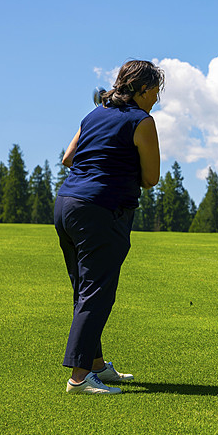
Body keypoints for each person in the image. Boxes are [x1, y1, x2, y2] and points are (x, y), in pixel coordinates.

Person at [54, 60, 164, 394]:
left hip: (67, 205)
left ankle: (96, 364)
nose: (156, 99)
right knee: (97, 291)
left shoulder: (93, 115)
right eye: (155, 92)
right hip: (101, 211)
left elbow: (68, 158)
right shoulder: (142, 121)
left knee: (85, 289)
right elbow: (151, 178)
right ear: (142, 89)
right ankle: (79, 377)